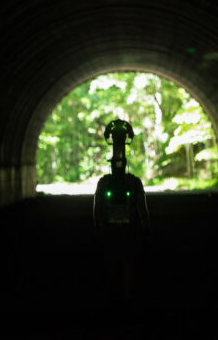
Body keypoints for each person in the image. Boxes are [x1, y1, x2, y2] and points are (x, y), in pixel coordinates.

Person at [93, 119, 150, 300]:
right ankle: (125, 298)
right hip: (127, 231)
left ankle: (114, 300)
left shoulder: (105, 183)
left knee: (112, 266)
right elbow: (142, 208)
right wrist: (146, 229)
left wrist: (98, 227)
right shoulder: (133, 183)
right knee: (126, 266)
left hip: (111, 231)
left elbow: (97, 208)